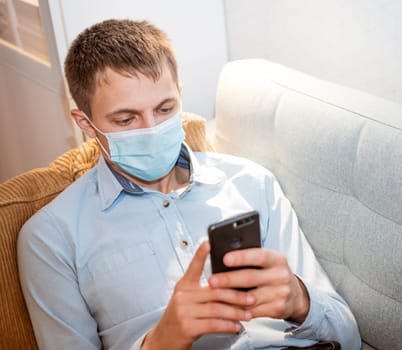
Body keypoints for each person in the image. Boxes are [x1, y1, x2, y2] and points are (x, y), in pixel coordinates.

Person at [17, 19, 361, 350]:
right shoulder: (51, 238)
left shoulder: (252, 183)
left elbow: (347, 336)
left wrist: (300, 300)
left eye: (165, 109)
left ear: (180, 95)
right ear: (86, 124)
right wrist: (161, 341)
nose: (151, 129)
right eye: (126, 119)